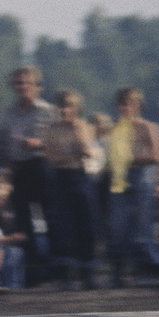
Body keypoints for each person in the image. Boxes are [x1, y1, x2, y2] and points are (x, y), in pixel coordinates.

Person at [0, 66, 55, 285]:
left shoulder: (47, 111)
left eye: (26, 83)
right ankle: (32, 270)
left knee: (49, 216)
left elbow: (58, 141)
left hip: (42, 166)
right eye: (18, 83)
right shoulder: (9, 113)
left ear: (36, 86)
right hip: (18, 169)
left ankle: (54, 268)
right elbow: (2, 143)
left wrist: (38, 143)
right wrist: (6, 168)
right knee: (23, 221)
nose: (22, 88)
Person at [101, 86, 159, 286]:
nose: (124, 108)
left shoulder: (148, 127)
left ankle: (146, 269)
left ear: (137, 106)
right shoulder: (114, 129)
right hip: (120, 177)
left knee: (142, 223)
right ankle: (119, 271)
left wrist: (131, 158)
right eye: (121, 104)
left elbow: (157, 155)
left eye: (129, 104)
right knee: (118, 224)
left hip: (142, 174)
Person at [41, 88, 101, 288]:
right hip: (60, 178)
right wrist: (73, 154)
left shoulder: (83, 126)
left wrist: (77, 135)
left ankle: (88, 273)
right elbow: (51, 158)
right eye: (61, 106)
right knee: (64, 226)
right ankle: (68, 275)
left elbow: (87, 151)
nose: (64, 110)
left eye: (69, 106)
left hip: (80, 176)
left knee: (87, 223)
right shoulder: (50, 130)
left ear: (76, 108)